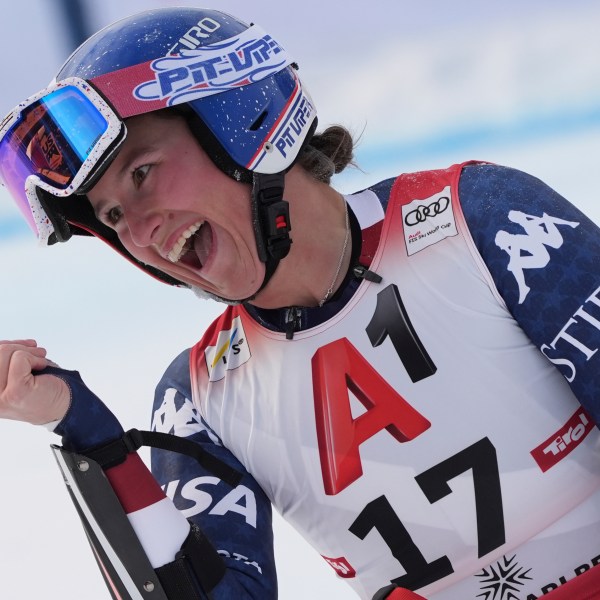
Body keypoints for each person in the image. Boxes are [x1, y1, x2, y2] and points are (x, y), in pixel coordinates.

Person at [1, 7, 599, 600]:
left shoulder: (479, 218)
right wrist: (85, 430)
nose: (137, 230)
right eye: (110, 217)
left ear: (241, 126)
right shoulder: (200, 395)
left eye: (142, 175)